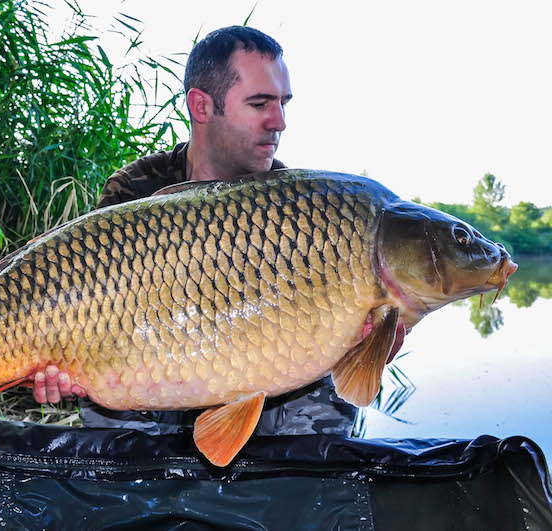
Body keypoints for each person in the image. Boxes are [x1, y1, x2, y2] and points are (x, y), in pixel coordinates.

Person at [30, 26, 356, 436]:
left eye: (283, 103)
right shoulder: (136, 189)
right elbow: (86, 305)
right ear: (201, 107)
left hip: (263, 374)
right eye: (259, 103)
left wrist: (364, 343)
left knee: (329, 400)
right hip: (155, 364)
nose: (280, 122)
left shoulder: (296, 206)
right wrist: (59, 365)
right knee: (104, 405)